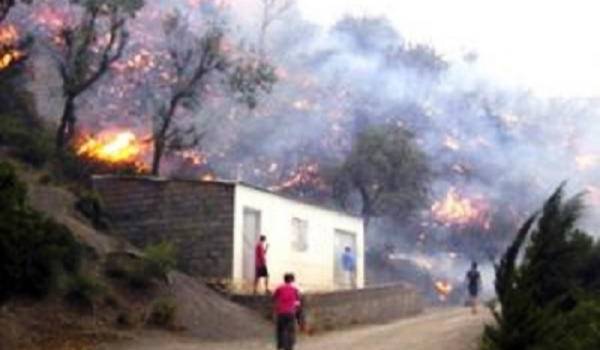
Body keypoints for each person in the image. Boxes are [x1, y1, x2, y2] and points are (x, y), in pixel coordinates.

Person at [273, 273, 301, 350]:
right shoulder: (295, 289)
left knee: (280, 329)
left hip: (281, 312)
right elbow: (298, 303)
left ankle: (280, 345)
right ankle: (290, 346)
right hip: (291, 312)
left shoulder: (279, 288)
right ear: (292, 280)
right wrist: (298, 316)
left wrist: (276, 309)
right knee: (291, 330)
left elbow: (274, 298)